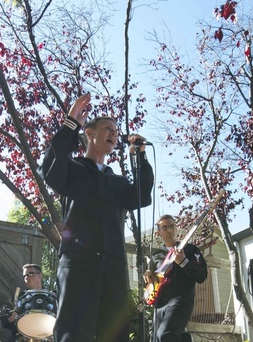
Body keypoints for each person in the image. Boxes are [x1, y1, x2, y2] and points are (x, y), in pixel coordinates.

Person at [38, 93, 154, 342]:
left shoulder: (117, 182)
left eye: (116, 130)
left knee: (113, 335)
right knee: (73, 332)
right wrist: (71, 124)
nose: (113, 133)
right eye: (107, 128)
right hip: (78, 262)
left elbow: (141, 197)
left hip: (112, 265)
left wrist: (140, 156)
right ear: (89, 133)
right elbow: (48, 168)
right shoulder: (74, 169)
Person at [144, 214, 207, 342]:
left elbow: (201, 276)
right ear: (159, 232)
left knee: (165, 335)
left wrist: (184, 262)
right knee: (157, 339)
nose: (169, 230)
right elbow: (151, 280)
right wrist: (148, 275)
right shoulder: (156, 255)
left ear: (176, 228)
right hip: (160, 304)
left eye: (172, 226)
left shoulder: (189, 249)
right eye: (165, 227)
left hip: (181, 300)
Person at [1, 264, 51, 342]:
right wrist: (10, 319)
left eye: (30, 274)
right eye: (24, 276)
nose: (26, 278)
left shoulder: (51, 297)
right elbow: (6, 323)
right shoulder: (19, 297)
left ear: (40, 275)